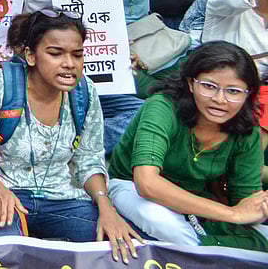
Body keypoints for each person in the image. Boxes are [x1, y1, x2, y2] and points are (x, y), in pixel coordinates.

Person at [0, 10, 141, 259]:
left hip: (61, 197)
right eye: (56, 53)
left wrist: (105, 206)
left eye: (77, 54)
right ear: (31, 56)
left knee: (126, 249)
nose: (69, 63)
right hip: (2, 192)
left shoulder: (84, 93)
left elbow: (89, 159)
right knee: (7, 258)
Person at [107, 42, 268, 250]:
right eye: (209, 86)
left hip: (196, 201)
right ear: (191, 84)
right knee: (170, 228)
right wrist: (232, 214)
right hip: (130, 188)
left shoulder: (247, 130)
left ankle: (212, 249)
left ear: (248, 93)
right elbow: (146, 183)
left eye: (234, 91)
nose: (220, 99)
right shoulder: (163, 107)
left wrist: (260, 207)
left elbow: (245, 200)